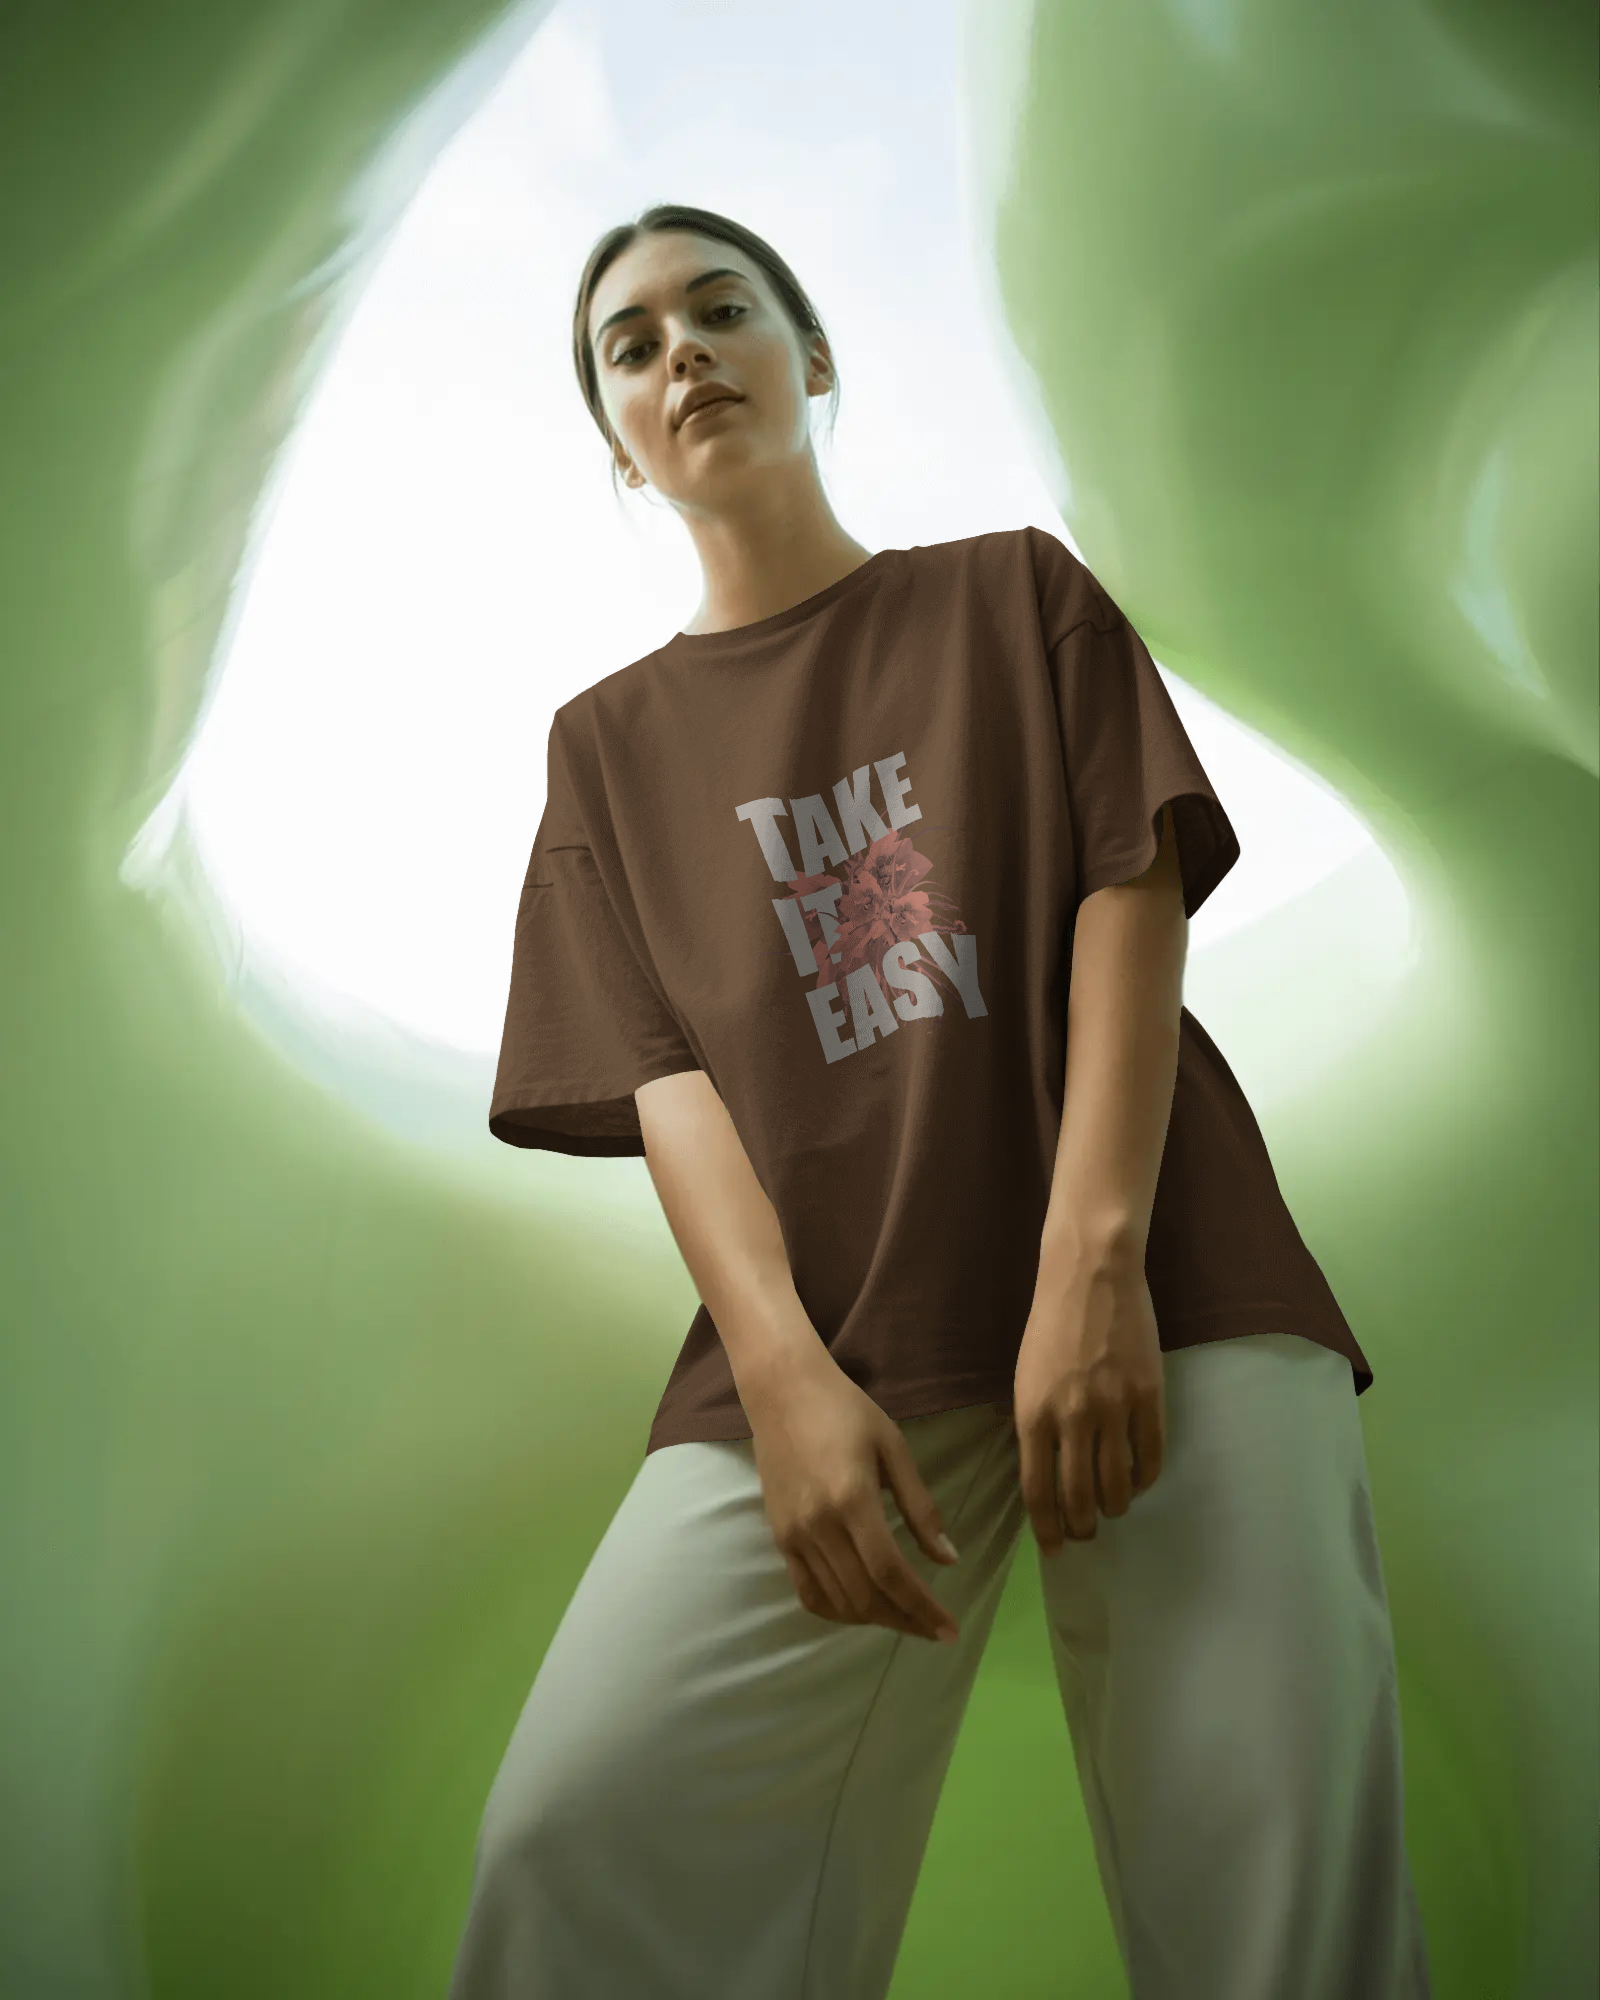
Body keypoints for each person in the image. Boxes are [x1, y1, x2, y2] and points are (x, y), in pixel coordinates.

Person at [446, 203, 1433, 2000]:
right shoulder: (603, 746)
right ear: (618, 444)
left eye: (720, 309)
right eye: (631, 345)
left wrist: (1095, 1266)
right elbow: (667, 1080)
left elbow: (1129, 885)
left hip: (1169, 1280)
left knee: (1277, 1879)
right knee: (573, 1833)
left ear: (811, 357)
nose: (681, 353)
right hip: (839, 1340)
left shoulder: (1015, 591)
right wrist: (779, 1378)